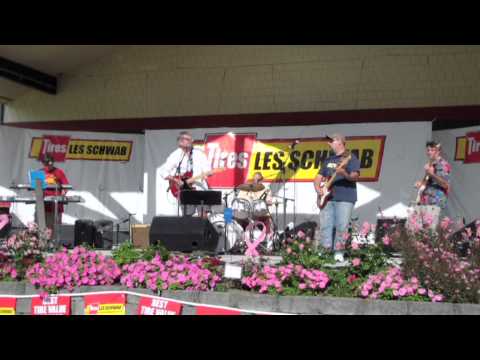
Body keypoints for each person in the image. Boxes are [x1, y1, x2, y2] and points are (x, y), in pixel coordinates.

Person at [314, 133, 360, 263]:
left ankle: (339, 252)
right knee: (325, 225)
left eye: (332, 140)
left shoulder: (350, 158)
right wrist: (319, 189)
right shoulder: (328, 160)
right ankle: (325, 251)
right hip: (328, 198)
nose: (329, 143)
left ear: (340, 142)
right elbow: (317, 178)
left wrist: (343, 173)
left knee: (342, 226)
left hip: (345, 197)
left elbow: (355, 176)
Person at [160, 131, 212, 216]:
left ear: (192, 141)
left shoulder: (199, 154)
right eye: (182, 139)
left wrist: (207, 173)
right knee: (187, 217)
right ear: (179, 142)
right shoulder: (176, 155)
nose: (185, 141)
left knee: (202, 215)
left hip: (199, 188)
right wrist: (176, 180)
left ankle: (203, 229)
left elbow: (208, 170)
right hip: (185, 191)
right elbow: (163, 171)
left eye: (188, 139)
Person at [413, 141, 451, 228]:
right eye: (428, 150)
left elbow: (445, 185)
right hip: (425, 202)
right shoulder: (431, 164)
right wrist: (421, 183)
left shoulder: (443, 164)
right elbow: (427, 181)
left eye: (432, 150)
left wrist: (432, 174)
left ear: (438, 151)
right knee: (421, 231)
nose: (429, 152)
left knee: (430, 231)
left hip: (435, 202)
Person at [38, 154, 70, 234]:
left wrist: (63, 192)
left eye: (50, 164)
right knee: (43, 228)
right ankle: (43, 245)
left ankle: (55, 245)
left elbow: (66, 185)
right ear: (43, 163)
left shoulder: (59, 172)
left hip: (56, 206)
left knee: (55, 228)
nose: (48, 167)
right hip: (43, 206)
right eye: (46, 164)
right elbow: (34, 186)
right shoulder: (39, 172)